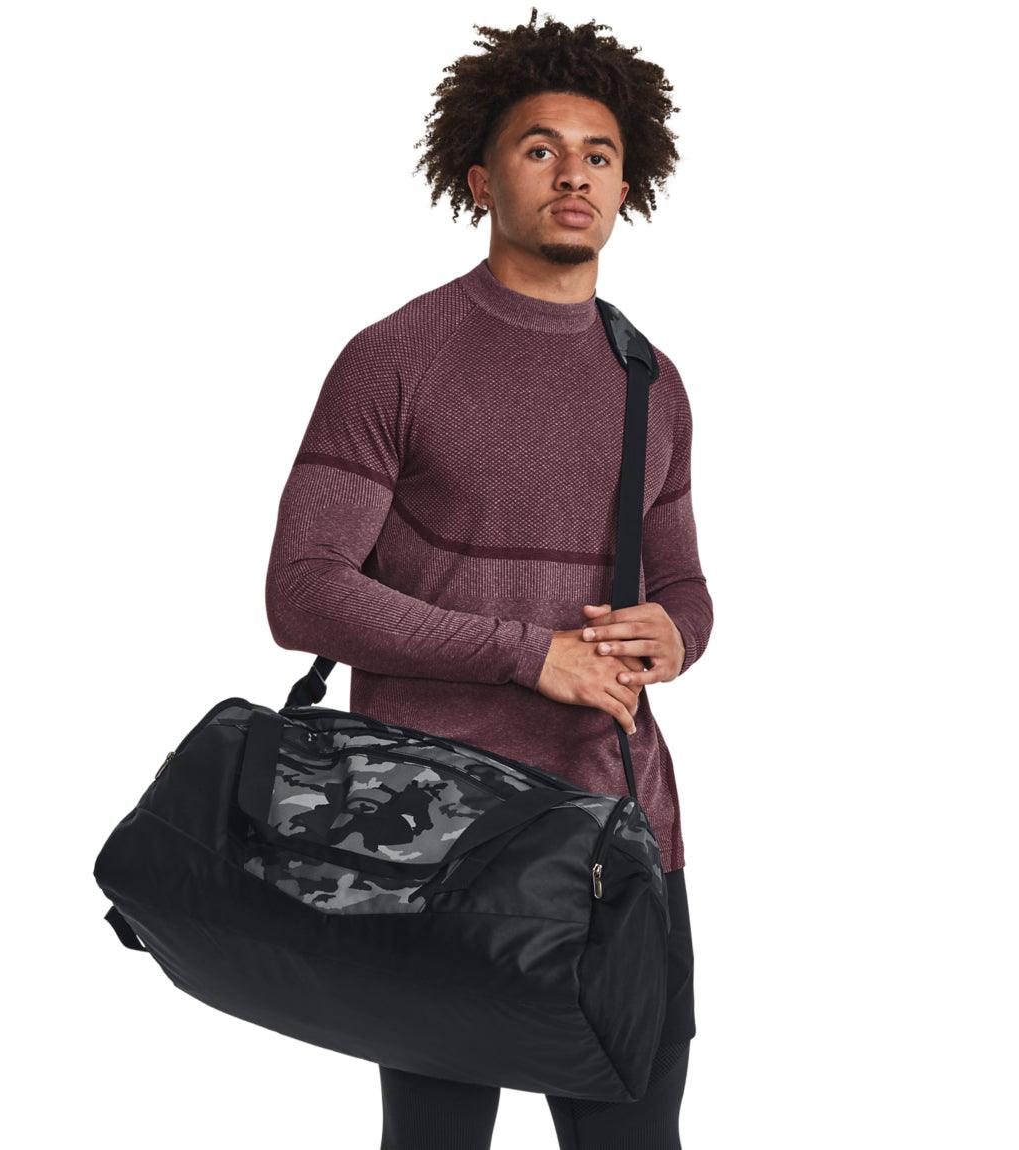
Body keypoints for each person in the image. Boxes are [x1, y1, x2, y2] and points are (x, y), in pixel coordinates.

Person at [264, 9, 713, 1148]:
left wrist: (679, 632)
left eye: (599, 154)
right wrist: (528, 654)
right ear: (479, 178)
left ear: (627, 185)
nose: (574, 174)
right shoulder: (396, 357)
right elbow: (303, 589)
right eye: (540, 148)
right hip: (429, 833)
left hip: (617, 831)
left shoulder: (650, 379)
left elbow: (685, 584)